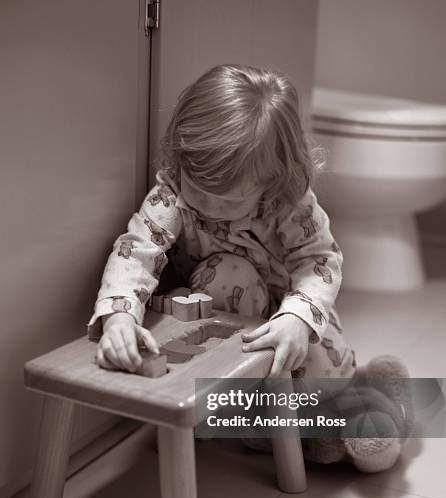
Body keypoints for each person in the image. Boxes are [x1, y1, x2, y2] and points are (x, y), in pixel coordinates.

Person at [87, 64, 410, 472]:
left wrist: (296, 317)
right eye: (198, 190)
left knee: (327, 380)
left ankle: (368, 397)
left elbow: (319, 260)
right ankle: (249, 415)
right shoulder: (172, 193)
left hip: (293, 309)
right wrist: (118, 317)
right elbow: (137, 251)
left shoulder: (290, 200)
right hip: (232, 317)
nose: (207, 207)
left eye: (227, 201)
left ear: (273, 180)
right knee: (227, 272)